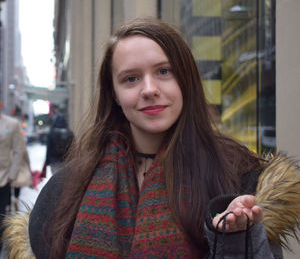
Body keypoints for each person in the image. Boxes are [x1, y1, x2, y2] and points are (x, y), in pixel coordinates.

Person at [3, 17, 299, 258]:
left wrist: (238, 240)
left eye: (164, 71)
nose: (148, 89)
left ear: (185, 80)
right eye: (131, 78)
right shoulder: (66, 188)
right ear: (115, 94)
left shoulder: (241, 177)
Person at [0, 101, 24, 250]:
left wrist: (12, 175)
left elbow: (18, 150)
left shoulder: (12, 124)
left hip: (3, 179)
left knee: (1, 217)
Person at [41, 108, 74, 176]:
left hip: (54, 162)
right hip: (66, 161)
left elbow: (49, 148)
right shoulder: (70, 133)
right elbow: (74, 147)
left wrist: (47, 161)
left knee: (55, 179)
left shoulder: (52, 133)